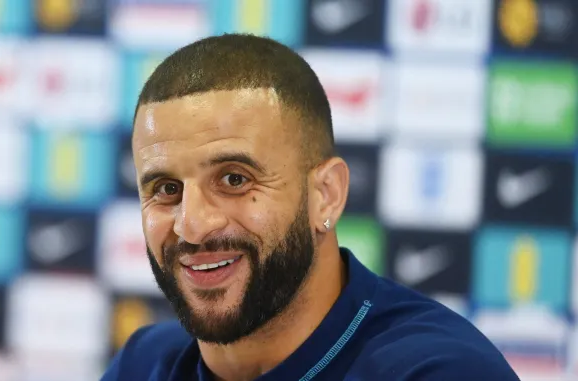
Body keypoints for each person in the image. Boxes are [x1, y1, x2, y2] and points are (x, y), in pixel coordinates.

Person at [102, 33, 519, 381]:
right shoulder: (144, 364)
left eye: (234, 179)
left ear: (327, 195)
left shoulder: (440, 372)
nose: (191, 225)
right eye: (166, 188)